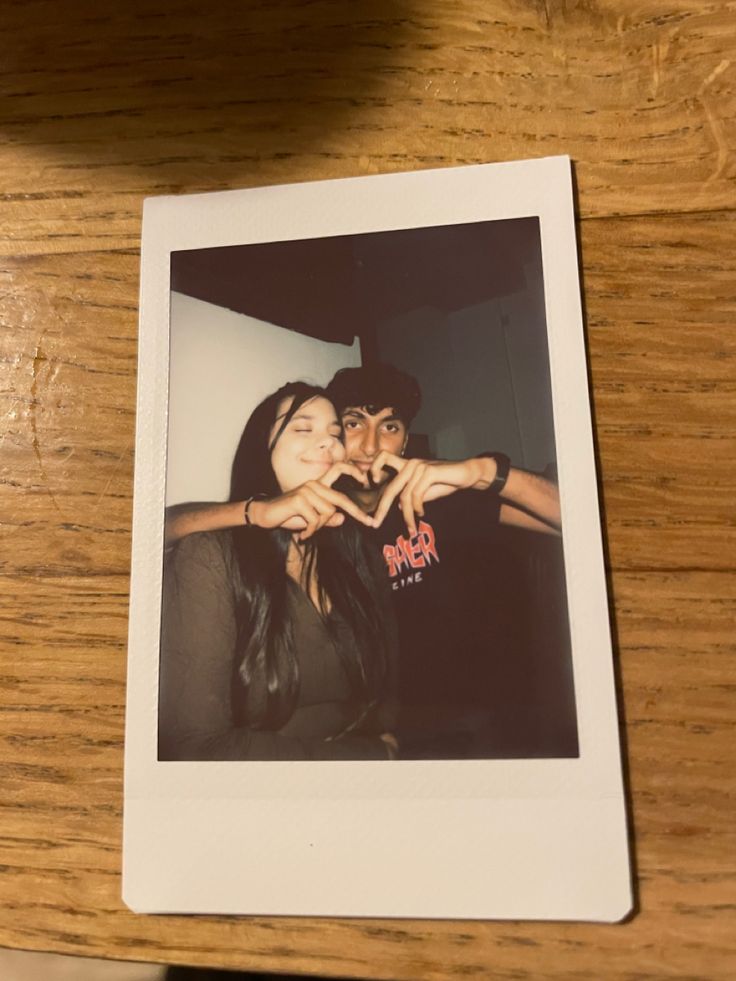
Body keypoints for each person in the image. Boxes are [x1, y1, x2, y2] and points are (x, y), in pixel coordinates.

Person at [165, 364, 577, 759]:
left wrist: (482, 471)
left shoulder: (434, 502)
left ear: (405, 439)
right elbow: (164, 530)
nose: (371, 445)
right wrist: (259, 510)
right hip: (386, 735)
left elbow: (576, 523)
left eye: (390, 427)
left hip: (478, 719)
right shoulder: (331, 529)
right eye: (354, 423)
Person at [159, 381, 398, 761]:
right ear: (262, 450)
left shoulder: (359, 555)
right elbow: (195, 747)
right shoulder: (212, 556)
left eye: (335, 433)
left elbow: (385, 701)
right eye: (304, 428)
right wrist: (367, 755)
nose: (328, 443)